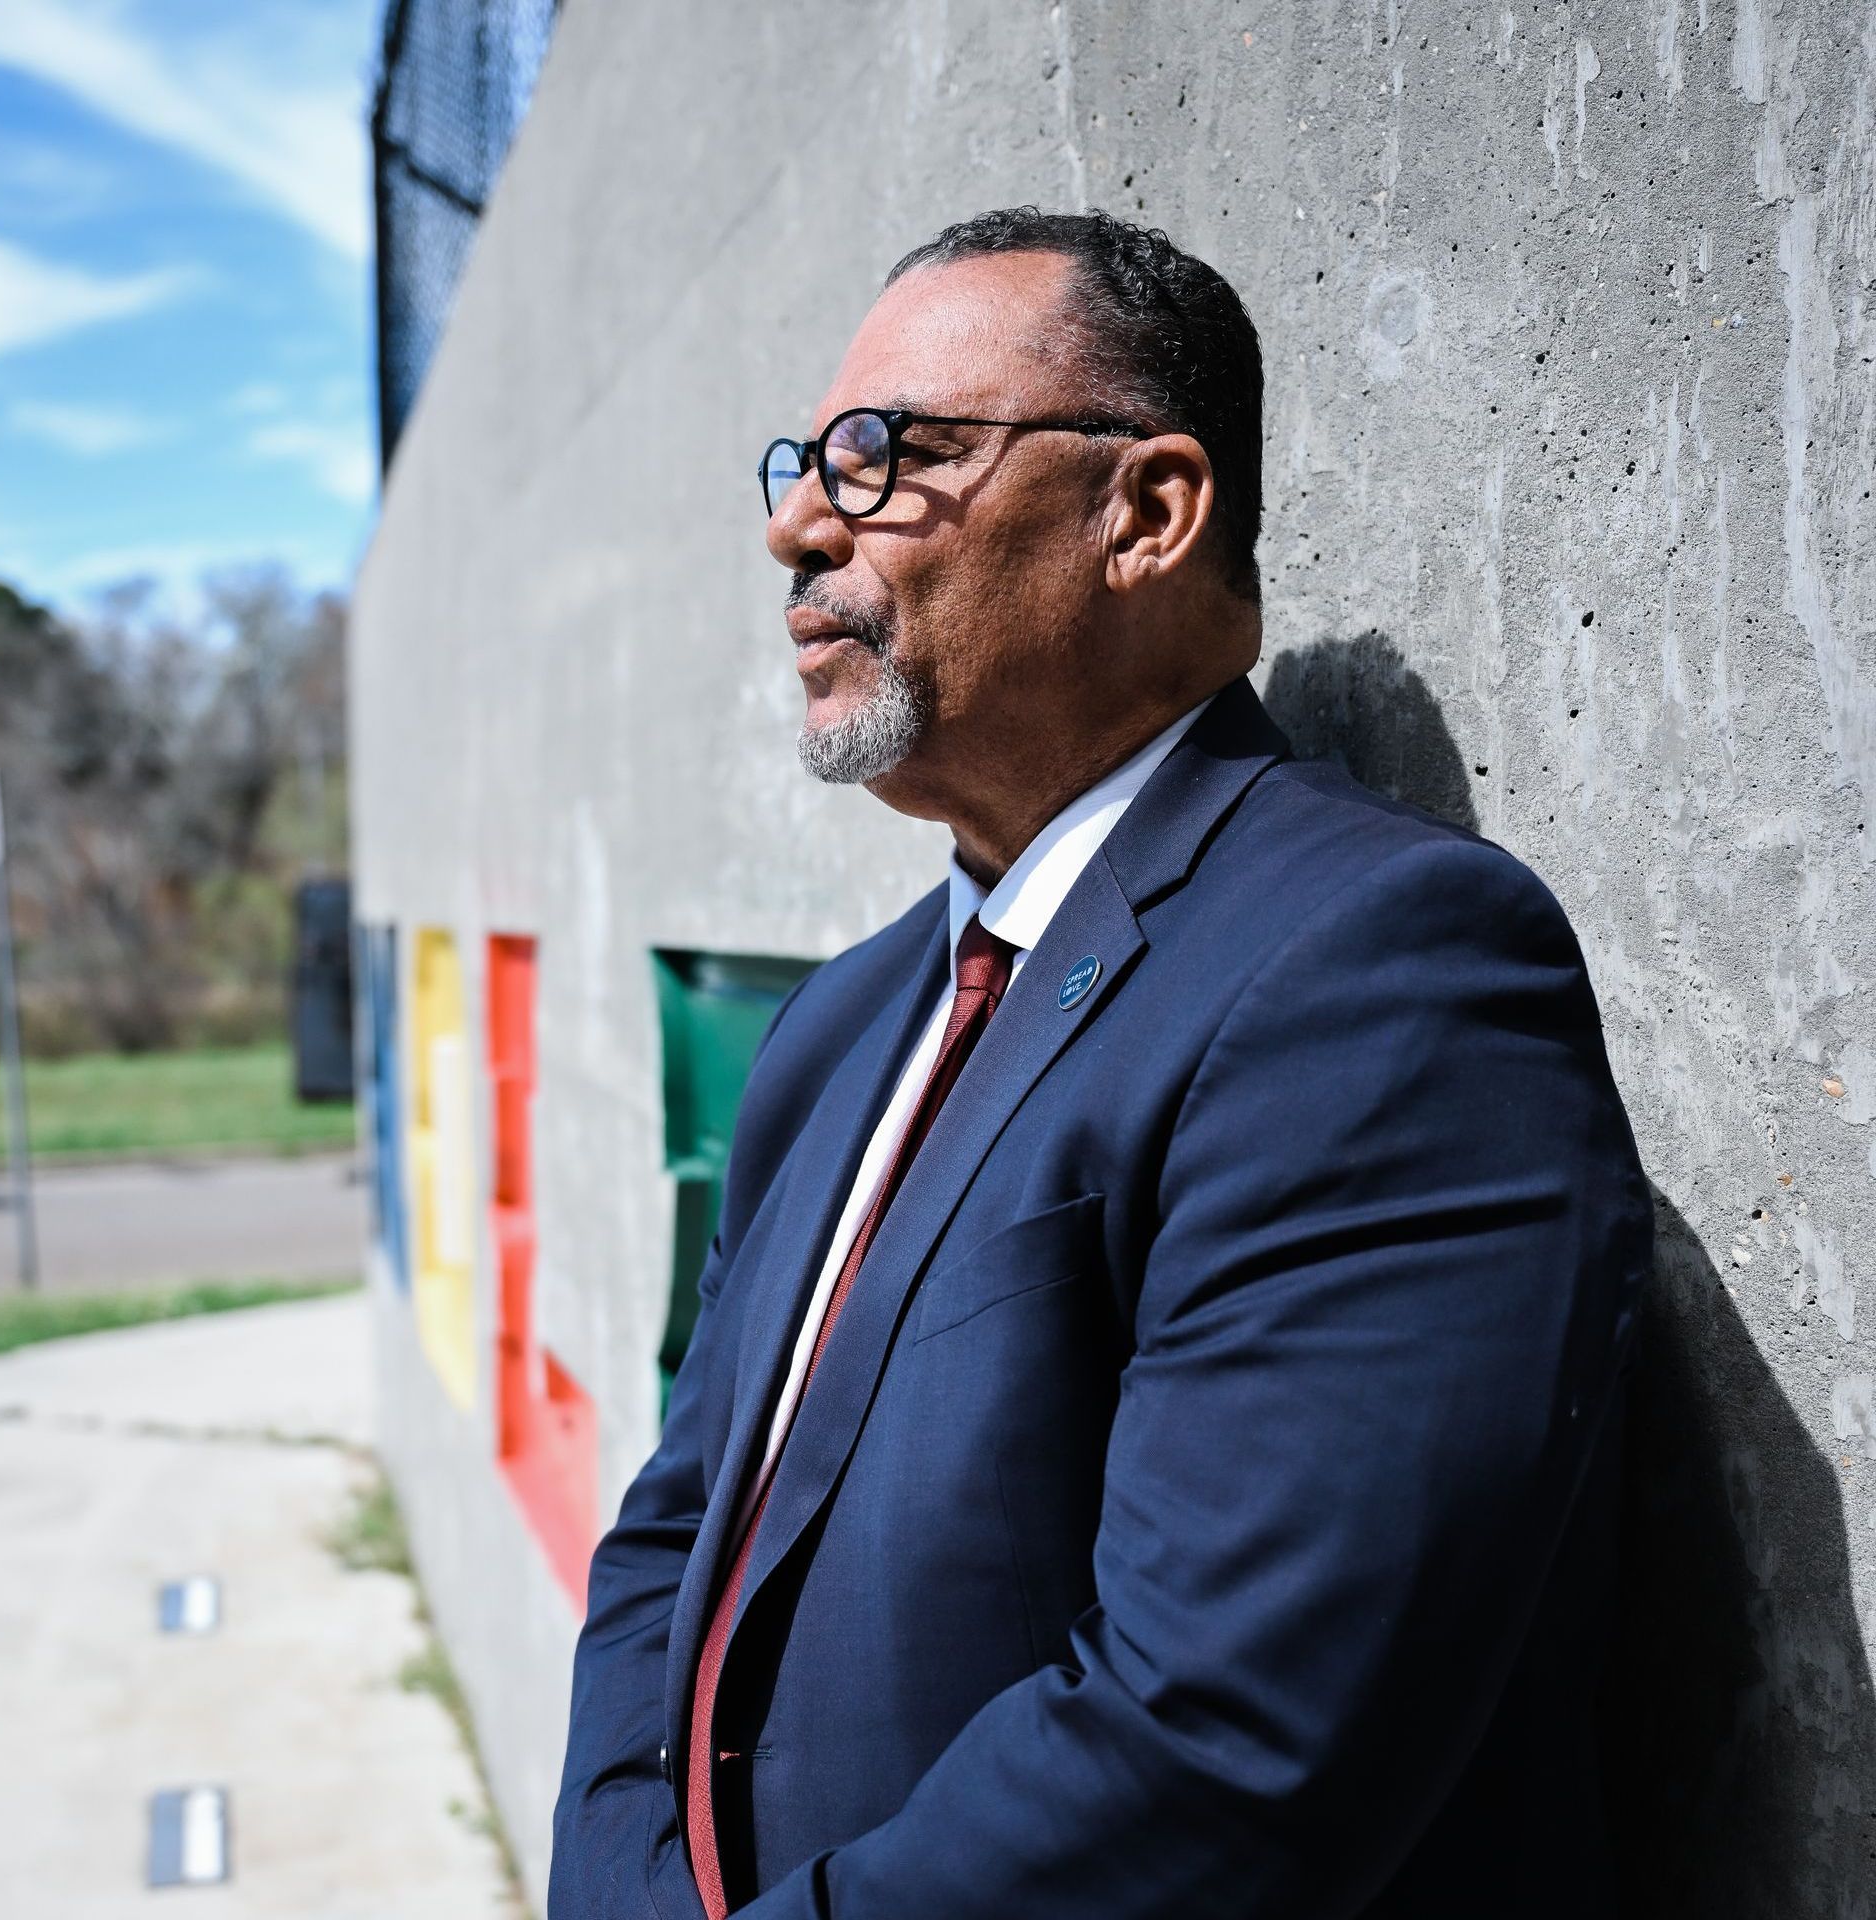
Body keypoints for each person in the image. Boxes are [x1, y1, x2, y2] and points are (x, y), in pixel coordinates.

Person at [549, 207, 1651, 1919]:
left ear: (1144, 511)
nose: (793, 526)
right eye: (804, 461)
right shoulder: (840, 1024)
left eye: (885, 456)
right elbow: (680, 1529)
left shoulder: (1381, 974)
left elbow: (1226, 1749)